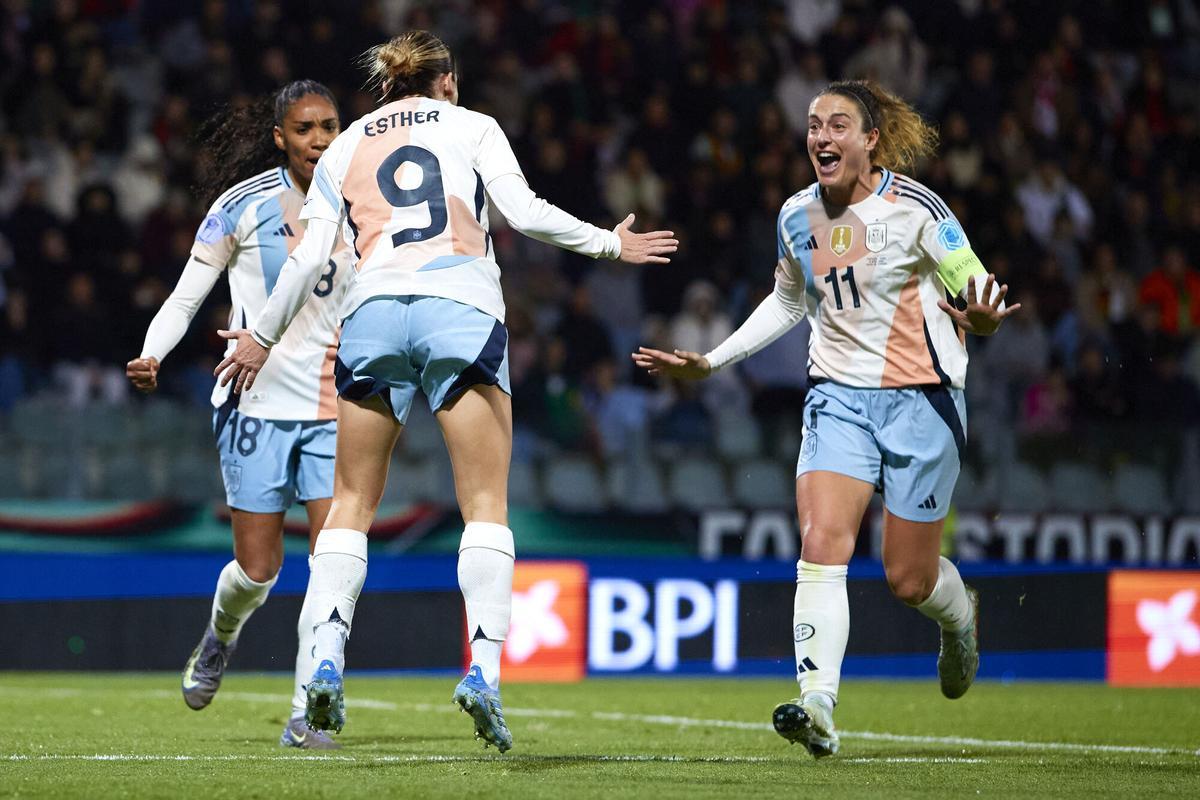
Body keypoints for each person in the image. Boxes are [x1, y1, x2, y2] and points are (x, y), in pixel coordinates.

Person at [214, 31, 676, 752]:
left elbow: (307, 260)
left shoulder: (346, 145)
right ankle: (484, 672)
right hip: (459, 310)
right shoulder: (472, 126)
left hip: (369, 316)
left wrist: (261, 338)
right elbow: (523, 212)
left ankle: (326, 664)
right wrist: (611, 244)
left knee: (351, 505)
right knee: (485, 504)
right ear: (448, 82)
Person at [634, 79, 1019, 758]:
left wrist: (982, 319)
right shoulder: (795, 215)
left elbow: (973, 286)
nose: (820, 137)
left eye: (837, 125)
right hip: (835, 397)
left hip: (921, 400)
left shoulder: (918, 208)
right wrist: (714, 361)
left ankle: (961, 620)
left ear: (870, 140)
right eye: (813, 126)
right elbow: (787, 300)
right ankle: (818, 705)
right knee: (821, 542)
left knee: (909, 580)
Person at [125, 80, 352, 750]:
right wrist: (151, 352)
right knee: (258, 570)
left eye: (330, 126)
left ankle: (308, 712)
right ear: (280, 136)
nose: (320, 140)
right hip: (254, 403)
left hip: (334, 407)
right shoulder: (240, 207)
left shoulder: (367, 205)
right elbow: (187, 293)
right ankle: (219, 638)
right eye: (305, 129)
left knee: (333, 560)